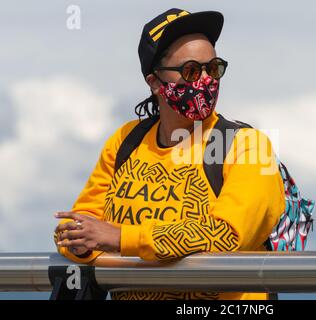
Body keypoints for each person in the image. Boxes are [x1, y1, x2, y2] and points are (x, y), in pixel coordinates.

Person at [53, 8, 285, 300]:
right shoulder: (127, 140)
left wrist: (121, 239)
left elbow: (225, 237)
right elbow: (81, 221)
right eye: (190, 70)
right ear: (154, 82)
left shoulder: (247, 146)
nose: (205, 80)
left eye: (213, 68)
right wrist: (79, 243)